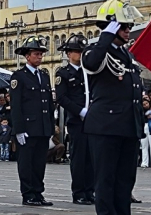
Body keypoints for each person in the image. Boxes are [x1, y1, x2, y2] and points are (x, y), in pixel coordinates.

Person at [81, 0, 145, 214]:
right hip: (106, 127)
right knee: (105, 180)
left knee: (125, 181)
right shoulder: (96, 50)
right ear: (112, 26)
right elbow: (90, 64)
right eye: (124, 26)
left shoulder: (127, 54)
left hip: (127, 126)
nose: (129, 30)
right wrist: (105, 36)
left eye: (129, 26)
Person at [8, 36, 56, 206]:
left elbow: (48, 104)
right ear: (27, 56)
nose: (39, 57)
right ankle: (28, 194)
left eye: (41, 54)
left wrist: (50, 126)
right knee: (26, 163)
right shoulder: (19, 76)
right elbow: (16, 105)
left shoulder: (43, 76)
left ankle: (38, 192)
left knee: (39, 164)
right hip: (28, 127)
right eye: (36, 54)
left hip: (42, 127)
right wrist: (19, 129)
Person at [55, 33, 94, 204]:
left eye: (82, 51)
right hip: (77, 120)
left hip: (93, 120)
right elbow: (62, 98)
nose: (81, 54)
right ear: (69, 54)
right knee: (79, 158)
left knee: (91, 158)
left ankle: (89, 190)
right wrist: (80, 111)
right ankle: (78, 192)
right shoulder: (63, 73)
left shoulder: (89, 72)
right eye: (77, 51)